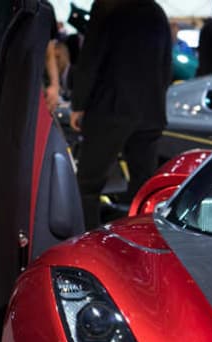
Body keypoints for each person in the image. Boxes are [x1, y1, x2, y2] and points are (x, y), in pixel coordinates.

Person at [69, 0, 172, 230]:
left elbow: (91, 57)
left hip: (111, 109)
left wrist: (79, 104)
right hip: (150, 110)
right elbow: (166, 63)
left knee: (88, 185)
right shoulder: (156, 11)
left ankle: (88, 243)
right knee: (143, 187)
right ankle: (139, 241)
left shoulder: (107, 6)